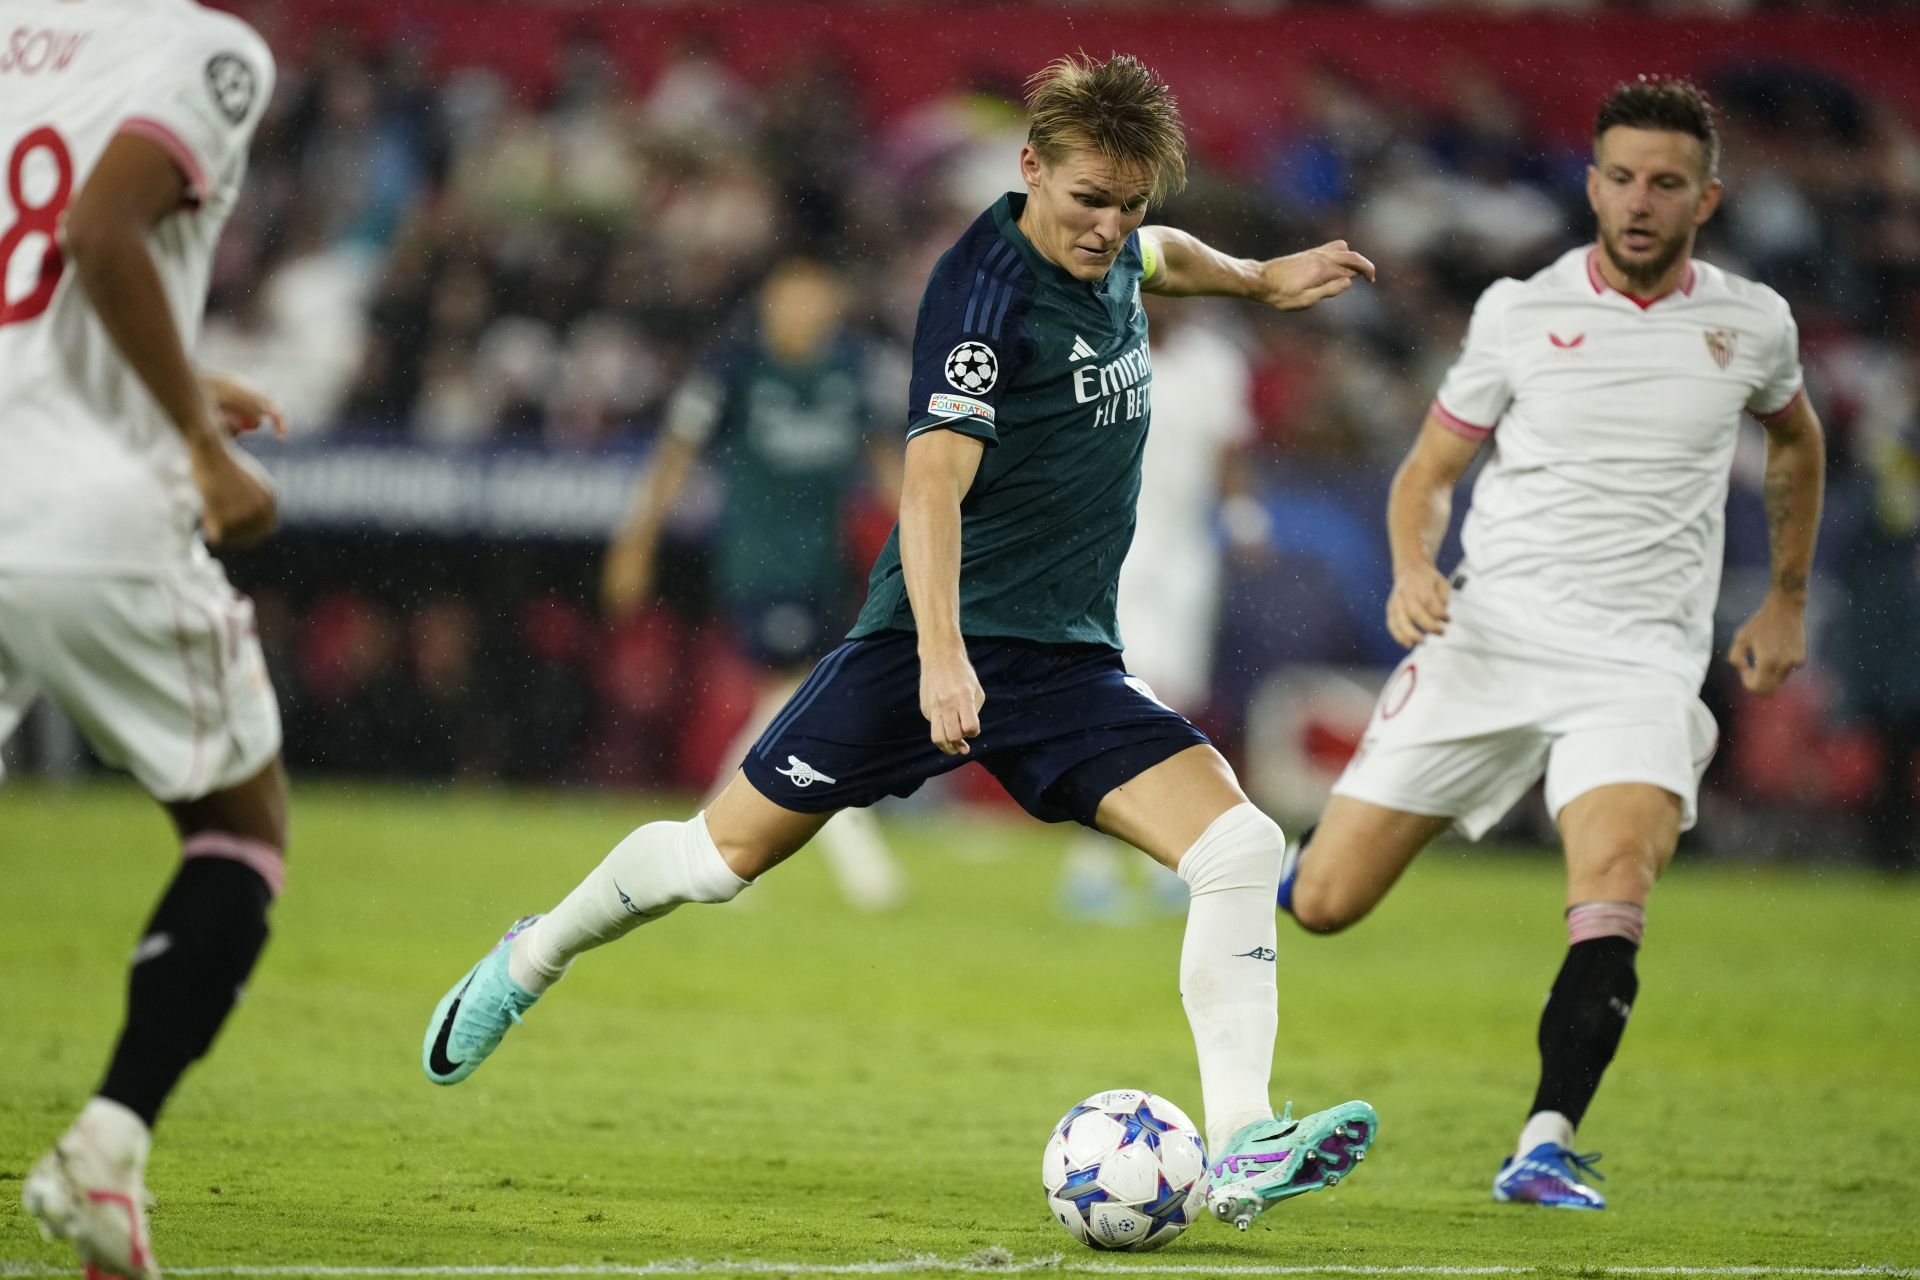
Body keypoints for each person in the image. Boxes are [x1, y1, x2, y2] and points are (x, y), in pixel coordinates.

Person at [424, 53, 1379, 1233]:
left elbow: (1163, 257)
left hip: (1067, 662)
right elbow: (929, 487)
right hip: (923, 648)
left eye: (1130, 201)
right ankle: (536, 953)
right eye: (1090, 199)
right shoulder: (984, 296)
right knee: (718, 862)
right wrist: (939, 655)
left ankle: (1239, 1140)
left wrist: (1259, 279)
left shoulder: (1118, 245)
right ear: (1030, 168)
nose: (1111, 225)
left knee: (1237, 841)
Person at [1275, 77, 1824, 1210]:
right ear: (1590, 184)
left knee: (1616, 879)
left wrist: (1787, 598)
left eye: (1665, 182)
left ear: (1706, 198)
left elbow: (1797, 447)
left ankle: (1543, 1138)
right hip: (1491, 636)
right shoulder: (1519, 312)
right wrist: (1415, 566)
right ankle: (1251, 875)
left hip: (1638, 663)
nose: (1638, 200)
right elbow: (1427, 474)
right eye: (1620, 177)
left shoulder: (1752, 323)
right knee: (1326, 900)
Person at [2, 4, 285, 1278]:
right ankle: (107, 1146)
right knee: (240, 826)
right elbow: (98, 230)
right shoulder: (208, 51)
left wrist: (163, 370)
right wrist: (193, 435)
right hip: (86, 517)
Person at [602, 255, 906, 910]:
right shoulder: (732, 370)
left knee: (795, 702)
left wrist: (925, 545)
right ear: (769, 301)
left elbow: (890, 464)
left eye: (816, 296)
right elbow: (673, 455)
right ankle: (853, 862)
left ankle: (708, 844)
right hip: (759, 561)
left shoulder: (852, 371)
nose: (804, 309)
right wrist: (636, 542)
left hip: (828, 565)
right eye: (792, 296)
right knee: (798, 699)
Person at [1055, 295, 1258, 921]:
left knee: (1172, 705)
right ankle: (1090, 870)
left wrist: (1242, 517)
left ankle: (1164, 859)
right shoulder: (1100, 348)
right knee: (1117, 701)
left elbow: (1228, 451)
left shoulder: (1217, 363)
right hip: (1115, 547)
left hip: (1185, 554)